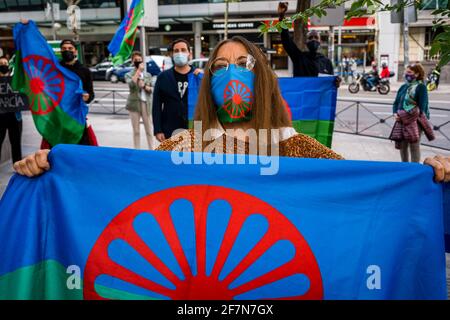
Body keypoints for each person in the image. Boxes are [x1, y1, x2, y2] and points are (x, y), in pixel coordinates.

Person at [12, 36, 450, 184]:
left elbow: (361, 182)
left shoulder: (295, 146)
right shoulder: (185, 143)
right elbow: (124, 170)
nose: (230, 75)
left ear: (261, 78)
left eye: (242, 65)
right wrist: (60, 161)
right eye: (219, 67)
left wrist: (424, 173)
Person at [40, 38, 97, 148]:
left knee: (80, 148)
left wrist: (87, 97)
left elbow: (91, 93)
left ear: (76, 51)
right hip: (57, 116)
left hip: (76, 118)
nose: (67, 51)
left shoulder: (84, 71)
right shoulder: (55, 70)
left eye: (70, 48)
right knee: (57, 148)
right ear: (61, 51)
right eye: (64, 49)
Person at [152, 39, 202, 143]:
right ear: (172, 54)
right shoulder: (163, 77)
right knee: (170, 158)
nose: (180, 53)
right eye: (176, 50)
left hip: (194, 129)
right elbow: (156, 106)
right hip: (169, 131)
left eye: (183, 50)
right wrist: (158, 130)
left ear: (189, 53)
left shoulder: (198, 76)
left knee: (192, 159)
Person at [277, 2, 334, 77]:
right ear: (306, 42)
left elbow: (331, 81)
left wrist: (336, 82)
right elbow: (287, 41)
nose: (313, 40)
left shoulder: (326, 62)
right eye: (310, 38)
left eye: (316, 37)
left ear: (320, 42)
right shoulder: (299, 58)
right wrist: (281, 17)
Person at [391, 63, 432, 163]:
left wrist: (408, 116)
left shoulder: (421, 87)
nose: (406, 74)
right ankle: (405, 167)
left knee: (414, 146)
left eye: (409, 72)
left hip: (415, 122)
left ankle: (414, 169)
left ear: (417, 74)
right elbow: (396, 103)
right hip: (401, 120)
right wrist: (395, 113)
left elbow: (422, 107)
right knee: (402, 146)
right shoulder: (403, 87)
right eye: (406, 72)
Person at [125, 51, 155, 150]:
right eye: (135, 60)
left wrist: (146, 87)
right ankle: (137, 150)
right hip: (134, 104)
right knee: (136, 130)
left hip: (146, 103)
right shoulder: (129, 74)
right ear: (132, 62)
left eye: (139, 59)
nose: (138, 61)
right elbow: (131, 85)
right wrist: (138, 72)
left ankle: (152, 149)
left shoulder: (148, 75)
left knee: (149, 129)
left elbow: (151, 89)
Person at [0, 56, 22, 164]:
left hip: (15, 116)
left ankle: (17, 165)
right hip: (0, 117)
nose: (3, 65)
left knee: (16, 142)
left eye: (5, 63)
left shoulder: (15, 80)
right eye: (1, 64)